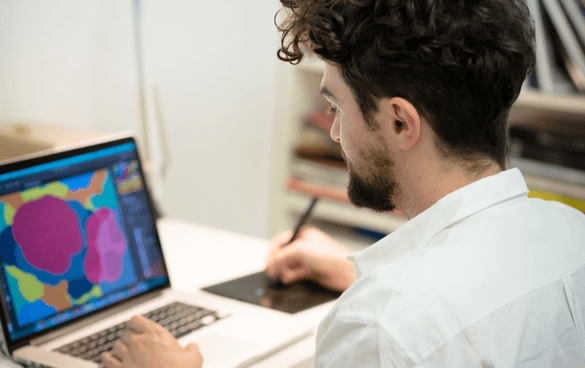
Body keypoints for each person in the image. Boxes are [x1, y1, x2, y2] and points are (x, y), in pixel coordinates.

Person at [103, 0, 585, 367]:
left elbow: (419, 324)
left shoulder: (379, 326)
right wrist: (356, 272)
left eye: (337, 108)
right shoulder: (572, 235)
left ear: (400, 122)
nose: (334, 132)